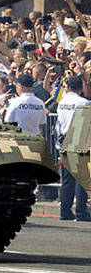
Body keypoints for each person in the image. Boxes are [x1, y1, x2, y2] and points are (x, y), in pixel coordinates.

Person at [54, 75, 91, 221]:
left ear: (68, 87)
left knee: (67, 178)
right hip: (79, 140)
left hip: (64, 139)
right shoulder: (84, 102)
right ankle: (81, 211)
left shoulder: (61, 102)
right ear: (81, 89)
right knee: (81, 177)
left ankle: (65, 210)